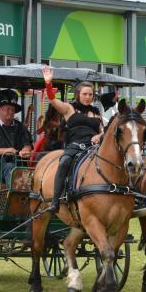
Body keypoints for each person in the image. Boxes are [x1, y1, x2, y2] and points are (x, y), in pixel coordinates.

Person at [43, 66, 104, 212]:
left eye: (90, 94)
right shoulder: (69, 109)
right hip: (74, 145)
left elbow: (104, 132)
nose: (88, 97)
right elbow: (52, 99)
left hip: (93, 147)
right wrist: (48, 83)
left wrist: (99, 136)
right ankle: (56, 201)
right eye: (85, 94)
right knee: (64, 162)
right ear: (78, 94)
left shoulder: (97, 114)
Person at [0, 89, 32, 184]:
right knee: (11, 168)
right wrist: (6, 150)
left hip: (18, 163)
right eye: (8, 109)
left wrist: (25, 150)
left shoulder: (20, 127)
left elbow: (27, 143)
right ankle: (13, 196)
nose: (11, 112)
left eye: (13, 109)